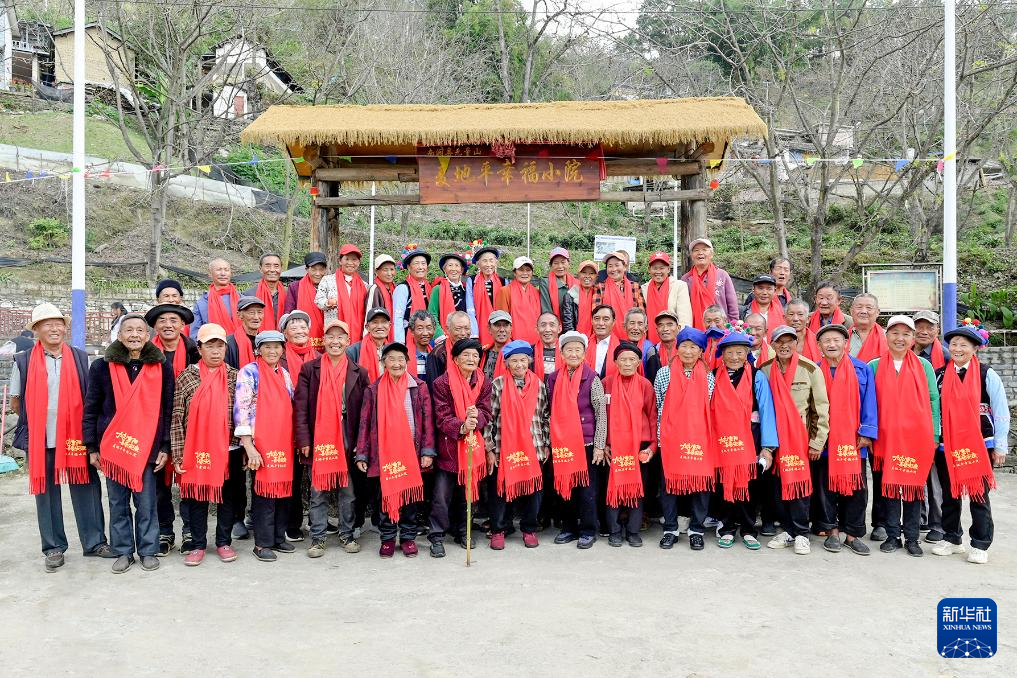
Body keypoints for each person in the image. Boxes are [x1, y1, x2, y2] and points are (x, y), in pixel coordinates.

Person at [9, 303, 115, 572]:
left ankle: (95, 542)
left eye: (58, 323)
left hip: (76, 436)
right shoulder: (23, 360)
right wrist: (40, 421)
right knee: (46, 494)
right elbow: (16, 403)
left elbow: (91, 398)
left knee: (87, 489)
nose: (54, 328)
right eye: (47, 324)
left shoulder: (80, 357)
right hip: (41, 437)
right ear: (36, 329)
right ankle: (53, 547)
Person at [83, 313, 174, 573]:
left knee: (146, 503)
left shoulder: (161, 367)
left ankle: (148, 550)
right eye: (129, 330)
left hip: (147, 448)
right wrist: (92, 447)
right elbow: (91, 408)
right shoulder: (102, 367)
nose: (134, 335)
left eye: (139, 330)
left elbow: (167, 409)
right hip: (114, 448)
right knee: (118, 503)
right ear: (120, 335)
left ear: (148, 336)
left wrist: (165, 447)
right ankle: (123, 551)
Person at [931, 322, 1009, 564]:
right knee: (949, 494)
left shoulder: (987, 374)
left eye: (963, 345)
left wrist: (1001, 445)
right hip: (947, 444)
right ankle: (952, 538)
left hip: (980, 443)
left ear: (975, 348)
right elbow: (933, 410)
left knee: (978, 494)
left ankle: (980, 543)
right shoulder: (940, 375)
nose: (957, 349)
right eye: (954, 344)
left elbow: (1000, 410)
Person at [294, 319, 370, 558]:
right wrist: (304, 440)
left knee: (348, 491)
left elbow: (366, 412)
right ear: (323, 340)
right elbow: (301, 407)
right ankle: (318, 538)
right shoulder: (310, 369)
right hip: (320, 434)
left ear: (348, 341)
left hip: (348, 433)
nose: (335, 342)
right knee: (318, 490)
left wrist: (361, 444)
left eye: (340, 337)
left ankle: (347, 534)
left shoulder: (359, 372)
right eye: (330, 337)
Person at [868, 315, 940, 557]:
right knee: (888, 487)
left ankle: (912, 537)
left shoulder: (924, 366)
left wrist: (935, 434)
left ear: (913, 338)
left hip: (916, 438)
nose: (900, 338)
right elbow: (868, 404)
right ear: (886, 336)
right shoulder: (874, 366)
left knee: (913, 487)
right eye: (895, 333)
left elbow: (933, 400)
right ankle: (892, 535)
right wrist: (869, 434)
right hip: (885, 438)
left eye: (906, 334)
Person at [356, 342, 435, 558]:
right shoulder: (374, 390)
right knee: (385, 496)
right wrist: (362, 453)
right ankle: (388, 538)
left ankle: (408, 537)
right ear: (384, 363)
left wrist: (428, 451)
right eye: (391, 359)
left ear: (407, 362)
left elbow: (428, 420)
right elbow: (365, 423)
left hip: (412, 451)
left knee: (410, 498)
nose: (397, 363)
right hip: (384, 453)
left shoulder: (418, 387)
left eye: (401, 359)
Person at [169, 323, 239, 567]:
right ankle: (198, 544)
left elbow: (243, 414)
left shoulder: (235, 376)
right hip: (195, 448)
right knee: (197, 497)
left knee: (227, 497)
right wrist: (178, 454)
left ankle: (223, 542)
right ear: (199, 349)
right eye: (210, 346)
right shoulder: (187, 377)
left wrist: (245, 446)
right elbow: (177, 416)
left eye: (220, 346)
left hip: (229, 449)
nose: (216, 351)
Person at [760, 326, 830, 556]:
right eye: (780, 342)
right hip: (773, 438)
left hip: (800, 439)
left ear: (797, 343)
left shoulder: (809, 369)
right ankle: (788, 530)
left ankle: (801, 533)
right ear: (772, 344)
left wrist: (817, 442)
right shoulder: (764, 369)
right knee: (778, 488)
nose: (785, 346)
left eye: (790, 341)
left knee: (799, 487)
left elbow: (820, 409)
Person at [814, 323, 877, 556]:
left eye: (836, 340)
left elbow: (870, 401)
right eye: (826, 341)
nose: (832, 344)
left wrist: (867, 432)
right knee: (826, 487)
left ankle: (853, 534)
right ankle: (831, 531)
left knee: (856, 488)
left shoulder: (861, 369)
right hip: (825, 440)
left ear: (845, 343)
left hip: (853, 440)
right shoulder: (814, 370)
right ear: (819, 346)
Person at [711, 332, 777, 551]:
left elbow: (766, 410)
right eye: (729, 352)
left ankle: (748, 530)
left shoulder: (757, 377)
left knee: (750, 486)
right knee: (724, 485)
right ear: (722, 354)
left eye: (739, 352)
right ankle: (727, 528)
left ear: (747, 353)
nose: (734, 357)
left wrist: (767, 448)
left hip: (750, 440)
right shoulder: (713, 376)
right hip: (722, 441)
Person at [234, 330, 296, 562]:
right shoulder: (249, 372)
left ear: (282, 350)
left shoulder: (285, 374)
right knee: (264, 493)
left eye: (276, 346)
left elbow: (290, 404)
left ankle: (278, 537)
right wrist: (248, 446)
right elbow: (241, 409)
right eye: (267, 347)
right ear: (258, 350)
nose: (272, 351)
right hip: (261, 442)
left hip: (283, 440)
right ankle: (262, 543)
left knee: (283, 491)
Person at [428, 338, 492, 557]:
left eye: (475, 355)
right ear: (455, 359)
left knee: (468, 494)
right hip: (449, 448)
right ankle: (436, 536)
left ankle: (464, 531)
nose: (471, 359)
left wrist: (477, 419)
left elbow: (486, 411)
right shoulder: (442, 383)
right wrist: (462, 426)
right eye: (466, 355)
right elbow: (441, 416)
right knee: (441, 496)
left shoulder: (484, 382)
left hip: (473, 447)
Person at [654, 327, 716, 551]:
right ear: (677, 347)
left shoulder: (709, 376)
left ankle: (696, 530)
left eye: (693, 347)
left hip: (700, 438)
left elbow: (711, 407)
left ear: (701, 351)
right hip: (671, 438)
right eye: (684, 346)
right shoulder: (664, 373)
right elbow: (659, 405)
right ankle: (670, 529)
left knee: (701, 484)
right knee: (669, 484)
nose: (688, 351)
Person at [483, 340, 548, 549]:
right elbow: (489, 419)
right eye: (514, 361)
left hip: (534, 446)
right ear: (507, 363)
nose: (519, 365)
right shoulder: (498, 384)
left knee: (533, 491)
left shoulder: (539, 384)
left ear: (529, 361)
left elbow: (544, 416)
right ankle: (499, 529)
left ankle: (529, 529)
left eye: (523, 360)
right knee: (500, 491)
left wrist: (546, 443)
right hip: (504, 447)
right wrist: (489, 448)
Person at [145, 303, 198, 556]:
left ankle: (190, 531)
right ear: (155, 326)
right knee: (159, 483)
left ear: (182, 325)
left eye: (174, 320)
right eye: (163, 320)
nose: (168, 325)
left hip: (189, 424)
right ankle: (165, 531)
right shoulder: (146, 353)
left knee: (189, 479)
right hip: (155, 424)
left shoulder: (195, 351)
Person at [547, 331, 607, 549]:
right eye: (569, 350)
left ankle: (588, 530)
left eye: (578, 350)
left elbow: (601, 413)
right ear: (562, 354)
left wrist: (599, 445)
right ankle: (569, 528)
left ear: (584, 353)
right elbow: (549, 409)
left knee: (587, 490)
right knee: (566, 486)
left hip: (586, 443)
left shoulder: (592, 378)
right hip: (562, 443)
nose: (573, 354)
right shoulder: (553, 379)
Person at [602, 341, 657, 547]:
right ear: (615, 362)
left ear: (638, 363)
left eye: (631, 359)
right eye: (623, 359)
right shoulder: (605, 383)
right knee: (612, 488)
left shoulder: (645, 385)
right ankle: (614, 530)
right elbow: (600, 416)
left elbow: (652, 416)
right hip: (612, 446)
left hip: (639, 445)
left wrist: (652, 447)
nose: (627, 363)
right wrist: (602, 444)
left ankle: (633, 530)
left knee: (637, 488)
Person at [279, 310, 316, 542]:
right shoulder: (279, 357)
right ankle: (292, 523)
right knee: (292, 476)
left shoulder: (319, 356)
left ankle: (317, 520)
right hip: (286, 425)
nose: (300, 330)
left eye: (303, 326)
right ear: (285, 333)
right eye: (293, 327)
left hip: (315, 424)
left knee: (315, 475)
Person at [912, 309, 948, 540]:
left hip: (936, 422)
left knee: (934, 477)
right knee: (914, 472)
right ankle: (919, 519)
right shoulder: (904, 352)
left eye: (929, 327)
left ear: (937, 330)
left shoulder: (945, 356)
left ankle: (938, 524)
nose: (923, 331)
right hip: (911, 422)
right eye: (919, 327)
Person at [682, 238, 739, 327]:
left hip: (721, 327)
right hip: (695, 328)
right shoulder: (686, 279)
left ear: (711, 254)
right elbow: (683, 308)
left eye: (704, 250)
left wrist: (733, 326)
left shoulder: (722, 275)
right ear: (692, 256)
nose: (700, 253)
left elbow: (732, 304)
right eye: (696, 250)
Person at [316, 244, 368, 339]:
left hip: (358, 331)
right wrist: (328, 303)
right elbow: (318, 300)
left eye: (354, 259)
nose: (350, 263)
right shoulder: (327, 280)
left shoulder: (364, 285)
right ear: (340, 261)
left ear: (358, 262)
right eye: (347, 259)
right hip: (334, 332)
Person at [592, 250, 645, 340]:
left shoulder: (635, 286)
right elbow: (596, 314)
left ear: (624, 267)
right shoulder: (600, 287)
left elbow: (641, 313)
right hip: (607, 337)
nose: (614, 269)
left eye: (617, 265)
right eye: (610, 266)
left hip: (632, 336)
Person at [642, 252, 692, 343]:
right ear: (649, 269)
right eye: (655, 268)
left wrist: (682, 341)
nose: (658, 272)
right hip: (650, 340)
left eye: (662, 268)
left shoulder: (679, 286)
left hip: (674, 339)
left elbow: (685, 318)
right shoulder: (644, 288)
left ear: (668, 269)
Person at [283, 251, 328, 349]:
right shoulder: (295, 287)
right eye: (313, 269)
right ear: (307, 269)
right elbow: (288, 314)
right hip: (302, 337)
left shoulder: (332, 287)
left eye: (321, 269)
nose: (318, 273)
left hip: (329, 337)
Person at [495, 256, 544, 345]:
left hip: (536, 341)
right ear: (514, 272)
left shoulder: (537, 292)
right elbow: (502, 321)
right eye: (521, 270)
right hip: (514, 342)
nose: (525, 273)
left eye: (528, 270)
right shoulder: (505, 291)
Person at [429, 252, 478, 339]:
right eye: (450, 265)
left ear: (461, 270)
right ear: (445, 269)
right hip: (444, 336)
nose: (453, 269)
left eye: (457, 265)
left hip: (465, 335)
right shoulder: (438, 289)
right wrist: (440, 335)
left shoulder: (466, 289)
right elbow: (432, 314)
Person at [392, 248, 433, 344]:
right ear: (409, 267)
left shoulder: (429, 287)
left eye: (423, 263)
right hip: (408, 337)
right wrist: (400, 343)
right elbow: (397, 318)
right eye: (416, 263)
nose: (420, 267)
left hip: (427, 337)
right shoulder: (403, 288)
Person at [191, 258, 240, 335]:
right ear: (210, 273)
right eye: (219, 270)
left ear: (231, 273)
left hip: (240, 341)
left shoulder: (242, 299)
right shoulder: (202, 303)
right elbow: (195, 332)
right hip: (212, 341)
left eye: (226, 270)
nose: (223, 273)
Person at [424, 310, 473, 388]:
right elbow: (433, 387)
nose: (463, 333)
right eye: (458, 329)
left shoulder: (474, 351)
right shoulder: (438, 354)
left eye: (467, 328)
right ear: (447, 329)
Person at [470, 245, 506, 346]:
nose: (488, 264)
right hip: (479, 325)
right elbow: (470, 308)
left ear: (496, 262)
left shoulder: (503, 281)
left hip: (500, 326)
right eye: (484, 261)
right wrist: (474, 332)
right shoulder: (472, 281)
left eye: (491, 260)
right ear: (478, 264)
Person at [347, 307, 392, 383]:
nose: (380, 326)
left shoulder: (394, 350)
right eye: (375, 322)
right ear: (367, 327)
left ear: (389, 326)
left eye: (384, 322)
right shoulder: (353, 351)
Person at [244, 253, 285, 331]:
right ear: (260, 269)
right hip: (257, 336)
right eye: (267, 266)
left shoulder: (288, 293)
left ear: (281, 269)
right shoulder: (249, 295)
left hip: (284, 336)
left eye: (276, 266)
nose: (272, 270)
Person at [224, 296, 265, 370]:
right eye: (251, 312)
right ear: (239, 315)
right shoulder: (228, 344)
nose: (256, 317)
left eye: (260, 312)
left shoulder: (266, 342)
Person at [365, 254, 398, 341]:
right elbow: (369, 315)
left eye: (392, 269)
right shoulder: (375, 289)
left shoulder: (395, 289)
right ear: (376, 271)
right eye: (385, 270)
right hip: (378, 335)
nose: (389, 273)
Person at [545, 247, 579, 333]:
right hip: (554, 330)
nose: (560, 266)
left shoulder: (577, 283)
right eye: (556, 263)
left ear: (569, 263)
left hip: (574, 329)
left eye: (563, 262)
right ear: (551, 265)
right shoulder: (546, 283)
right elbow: (546, 309)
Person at [645, 310, 680, 385]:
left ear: (678, 328)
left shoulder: (685, 350)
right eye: (660, 325)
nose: (665, 329)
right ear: (657, 330)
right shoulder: (652, 352)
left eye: (670, 324)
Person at [586, 305, 620, 380]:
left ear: (613, 322)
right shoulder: (584, 345)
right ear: (592, 321)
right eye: (597, 319)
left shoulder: (621, 348)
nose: (601, 323)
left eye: (606, 319)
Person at [849, 293, 886, 362]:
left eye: (869, 308)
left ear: (877, 312)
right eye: (859, 307)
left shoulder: (888, 337)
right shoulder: (843, 337)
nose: (863, 311)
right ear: (851, 311)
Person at [569, 260, 598, 338]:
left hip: (596, 337)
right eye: (584, 273)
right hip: (576, 338)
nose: (587, 276)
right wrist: (574, 339)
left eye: (591, 273)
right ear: (578, 275)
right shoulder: (570, 295)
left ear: (596, 276)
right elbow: (568, 322)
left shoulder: (599, 294)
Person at [481, 310, 513, 381]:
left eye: (505, 325)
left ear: (511, 328)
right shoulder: (483, 353)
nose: (502, 330)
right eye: (497, 325)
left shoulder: (517, 353)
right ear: (489, 328)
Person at [407, 310, 435, 381]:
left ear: (434, 330)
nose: (425, 333)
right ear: (412, 331)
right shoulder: (404, 356)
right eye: (420, 328)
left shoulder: (436, 355)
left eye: (429, 328)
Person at [623, 308, 655, 372]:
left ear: (645, 328)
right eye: (632, 323)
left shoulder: (650, 349)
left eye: (640, 324)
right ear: (624, 327)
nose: (635, 328)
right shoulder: (620, 347)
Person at [533, 312, 563, 379]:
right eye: (543, 325)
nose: (547, 330)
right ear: (537, 329)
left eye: (552, 325)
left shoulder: (567, 352)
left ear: (559, 329)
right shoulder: (530, 353)